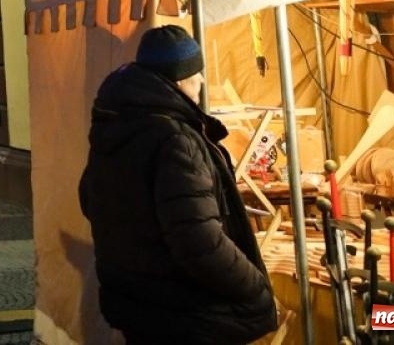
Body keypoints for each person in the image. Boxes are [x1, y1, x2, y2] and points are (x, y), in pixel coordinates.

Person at [78, 25, 278, 345]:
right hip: (184, 312)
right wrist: (255, 286)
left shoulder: (117, 123)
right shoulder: (175, 139)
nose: (201, 83)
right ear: (181, 79)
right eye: (197, 74)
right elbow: (199, 242)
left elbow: (90, 199)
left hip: (135, 301)